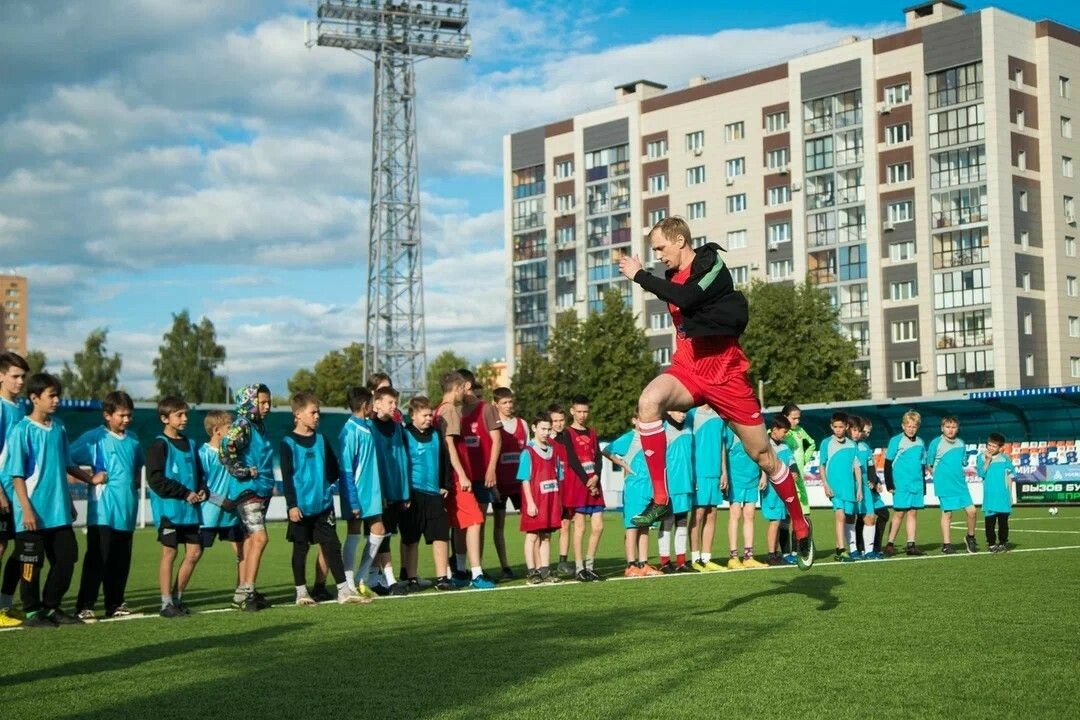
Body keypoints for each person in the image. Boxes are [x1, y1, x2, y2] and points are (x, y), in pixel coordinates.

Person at [617, 217, 813, 567]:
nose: (658, 255)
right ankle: (660, 497)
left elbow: (688, 297)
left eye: (661, 247)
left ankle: (800, 524)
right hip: (689, 370)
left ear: (680, 240)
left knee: (764, 457)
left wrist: (639, 275)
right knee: (648, 402)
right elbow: (679, 309)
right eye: (654, 251)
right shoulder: (668, 277)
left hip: (726, 376)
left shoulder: (711, 265)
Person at [1, 373, 102, 627]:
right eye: (51, 395)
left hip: (58, 512)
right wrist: (25, 509)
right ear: (35, 398)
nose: (57, 400)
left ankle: (52, 606)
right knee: (30, 564)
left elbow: (66, 465)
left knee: (67, 557)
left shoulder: (59, 428)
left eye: (58, 394)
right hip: (32, 512)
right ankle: (33, 612)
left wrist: (87, 483)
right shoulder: (21, 430)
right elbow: (16, 475)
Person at [280, 392, 366, 605]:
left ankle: (344, 591)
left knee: (332, 545)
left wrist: (327, 488)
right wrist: (291, 505)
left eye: (318, 412)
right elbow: (287, 477)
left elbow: (333, 471)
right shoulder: (287, 443)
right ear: (298, 414)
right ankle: (301, 592)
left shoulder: (321, 440)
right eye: (313, 412)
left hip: (323, 506)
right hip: (300, 507)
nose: (317, 416)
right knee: (301, 548)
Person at [71, 390, 144, 621]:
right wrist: (89, 478)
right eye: (122, 415)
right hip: (102, 510)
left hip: (127, 510)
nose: (126, 420)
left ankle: (115, 604)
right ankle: (84, 605)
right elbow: (67, 458)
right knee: (97, 558)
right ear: (107, 415)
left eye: (129, 415)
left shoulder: (133, 440)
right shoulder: (94, 438)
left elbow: (137, 467)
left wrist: (133, 486)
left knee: (121, 560)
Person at [146, 395, 206, 618]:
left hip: (190, 512)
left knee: (195, 552)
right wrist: (185, 492)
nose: (184, 419)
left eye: (186, 414)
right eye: (179, 415)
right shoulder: (158, 445)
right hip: (169, 511)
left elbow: (200, 475)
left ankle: (177, 598)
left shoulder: (191, 444)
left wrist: (202, 490)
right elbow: (156, 480)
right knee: (170, 552)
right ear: (165, 418)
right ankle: (165, 603)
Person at [434, 371, 494, 590]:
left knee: (461, 523)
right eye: (462, 389)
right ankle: (476, 574)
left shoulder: (437, 409)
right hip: (456, 476)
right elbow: (450, 445)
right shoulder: (449, 410)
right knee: (476, 520)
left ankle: (459, 570)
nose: (464, 394)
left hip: (448, 477)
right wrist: (462, 474)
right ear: (457, 388)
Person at [219, 384, 276, 611]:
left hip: (260, 488)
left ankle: (243, 592)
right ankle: (248, 592)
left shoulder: (257, 426)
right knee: (260, 539)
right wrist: (241, 470)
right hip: (247, 490)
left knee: (252, 541)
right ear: (249, 402)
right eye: (262, 402)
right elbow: (226, 446)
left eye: (269, 402)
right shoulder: (243, 424)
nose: (267, 406)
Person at [400, 396, 453, 590]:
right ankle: (412, 579)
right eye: (424, 415)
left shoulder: (437, 434)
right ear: (413, 415)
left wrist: (446, 484)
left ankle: (442, 578)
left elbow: (445, 460)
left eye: (430, 414)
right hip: (413, 494)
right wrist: (404, 494)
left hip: (434, 495)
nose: (429, 418)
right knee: (411, 538)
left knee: (440, 536)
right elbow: (401, 465)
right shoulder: (404, 434)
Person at [602, 416, 662, 578]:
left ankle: (643, 564)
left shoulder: (652, 437)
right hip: (634, 488)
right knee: (632, 526)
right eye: (642, 419)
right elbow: (607, 450)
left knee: (645, 526)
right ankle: (631, 565)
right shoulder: (630, 437)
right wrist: (622, 464)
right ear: (634, 420)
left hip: (649, 488)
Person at [338, 386, 381, 599]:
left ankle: (361, 577)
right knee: (353, 533)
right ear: (365, 406)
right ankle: (348, 583)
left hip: (372, 493)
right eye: (372, 403)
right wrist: (352, 500)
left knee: (379, 530)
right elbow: (346, 468)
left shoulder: (368, 426)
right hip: (356, 492)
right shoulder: (349, 431)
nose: (374, 407)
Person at [457, 368, 501, 574]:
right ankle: (459, 567)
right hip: (462, 477)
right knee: (460, 523)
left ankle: (478, 567)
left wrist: (491, 469)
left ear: (467, 386)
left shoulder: (485, 409)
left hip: (482, 477)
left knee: (479, 522)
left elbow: (497, 440)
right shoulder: (455, 411)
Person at [369, 386, 411, 595]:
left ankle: (373, 579)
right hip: (379, 494)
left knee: (385, 537)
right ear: (376, 404)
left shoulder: (398, 428)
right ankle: (391, 580)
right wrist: (379, 493)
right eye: (390, 402)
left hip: (396, 492)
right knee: (381, 536)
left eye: (395, 403)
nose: (394, 407)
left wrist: (405, 493)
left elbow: (403, 460)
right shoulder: (369, 428)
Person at [198, 411, 245, 592]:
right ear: (217, 430)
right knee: (194, 554)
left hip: (232, 515)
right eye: (229, 427)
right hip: (208, 515)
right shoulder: (204, 454)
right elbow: (200, 484)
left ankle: (242, 590)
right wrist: (219, 500)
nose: (234, 430)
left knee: (243, 552)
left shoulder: (234, 452)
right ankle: (175, 596)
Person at [0, 350, 29, 625]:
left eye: (23, 377)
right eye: (15, 376)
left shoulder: (21, 408)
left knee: (21, 548)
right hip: (1, 491)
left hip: (16, 490)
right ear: (1, 376)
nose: (21, 382)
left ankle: (5, 604)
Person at [562, 395, 605, 581]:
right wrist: (588, 480)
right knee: (579, 528)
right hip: (579, 485)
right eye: (578, 411)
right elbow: (572, 460)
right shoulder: (567, 433)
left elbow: (598, 458)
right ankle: (579, 568)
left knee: (598, 527)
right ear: (572, 411)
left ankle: (590, 566)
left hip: (594, 484)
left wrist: (596, 477)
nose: (582, 415)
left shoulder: (592, 432)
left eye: (585, 411)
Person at [517, 412, 563, 585]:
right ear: (534, 428)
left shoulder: (553, 450)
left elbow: (558, 475)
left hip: (550, 501)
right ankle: (532, 572)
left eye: (548, 429)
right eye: (542, 428)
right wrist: (530, 502)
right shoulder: (528, 452)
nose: (545, 432)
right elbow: (525, 479)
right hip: (535, 501)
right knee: (532, 536)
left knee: (546, 536)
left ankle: (545, 571)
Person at [928, 416, 978, 554]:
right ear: (942, 428)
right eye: (947, 427)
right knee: (947, 514)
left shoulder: (961, 444)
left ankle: (970, 537)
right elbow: (929, 464)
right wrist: (939, 477)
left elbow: (962, 463)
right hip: (944, 485)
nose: (950, 430)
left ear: (957, 429)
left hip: (960, 485)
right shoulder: (935, 443)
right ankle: (947, 544)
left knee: (972, 511)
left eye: (953, 427)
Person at [492, 386, 527, 579]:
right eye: (504, 402)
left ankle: (533, 564)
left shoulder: (522, 424)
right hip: (500, 485)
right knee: (499, 525)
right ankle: (505, 566)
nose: (508, 405)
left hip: (521, 485)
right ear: (496, 404)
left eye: (510, 402)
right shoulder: (494, 426)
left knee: (530, 525)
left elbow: (529, 455)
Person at [722, 420, 767, 569]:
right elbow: (723, 451)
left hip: (753, 477)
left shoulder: (758, 429)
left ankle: (748, 557)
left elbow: (763, 451)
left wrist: (764, 475)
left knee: (750, 516)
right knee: (735, 515)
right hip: (735, 478)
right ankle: (733, 557)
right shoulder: (730, 429)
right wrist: (724, 474)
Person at [819, 411, 862, 563]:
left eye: (841, 427)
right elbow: (822, 465)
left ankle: (844, 548)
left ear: (847, 427)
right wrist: (825, 484)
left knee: (848, 517)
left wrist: (859, 488)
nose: (838, 429)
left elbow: (856, 467)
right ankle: (841, 550)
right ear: (831, 426)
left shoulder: (852, 445)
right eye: (835, 427)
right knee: (840, 515)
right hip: (834, 488)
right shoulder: (826, 443)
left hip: (849, 488)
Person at [687, 404, 725, 572]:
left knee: (712, 514)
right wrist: (691, 474)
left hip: (715, 473)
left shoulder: (719, 415)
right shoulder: (691, 414)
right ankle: (695, 558)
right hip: (698, 472)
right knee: (699, 513)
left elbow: (722, 445)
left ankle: (707, 557)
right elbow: (686, 444)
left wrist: (724, 471)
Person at [883, 411, 927, 557]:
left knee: (913, 513)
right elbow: (887, 464)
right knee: (899, 513)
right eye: (908, 426)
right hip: (900, 485)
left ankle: (911, 545)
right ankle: (890, 544)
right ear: (903, 426)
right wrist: (889, 484)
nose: (911, 429)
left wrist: (923, 487)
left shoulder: (921, 442)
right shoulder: (896, 441)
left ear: (918, 427)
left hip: (916, 485)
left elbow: (921, 465)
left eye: (914, 426)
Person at [658, 411, 694, 573]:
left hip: (686, 482)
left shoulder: (688, 428)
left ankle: (681, 561)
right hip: (670, 484)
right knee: (667, 521)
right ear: (670, 411)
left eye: (685, 411)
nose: (683, 415)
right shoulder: (663, 429)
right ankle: (665, 561)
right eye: (679, 411)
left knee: (682, 522)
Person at [780, 403, 814, 561]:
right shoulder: (778, 432)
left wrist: (804, 460)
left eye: (798, 418)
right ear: (785, 417)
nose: (797, 421)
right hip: (782, 478)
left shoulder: (800, 432)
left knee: (801, 515)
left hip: (798, 479)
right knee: (784, 517)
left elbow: (812, 443)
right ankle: (784, 552)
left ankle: (797, 550)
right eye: (794, 418)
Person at [761, 415, 793, 565]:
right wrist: (763, 478)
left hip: (783, 489)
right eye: (784, 431)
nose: (785, 434)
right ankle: (771, 554)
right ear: (774, 429)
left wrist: (795, 472)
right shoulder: (765, 444)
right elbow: (762, 465)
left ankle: (775, 552)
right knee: (774, 521)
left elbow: (791, 462)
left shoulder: (786, 446)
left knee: (779, 521)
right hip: (771, 489)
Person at [851, 416, 883, 560]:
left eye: (861, 431)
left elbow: (871, 466)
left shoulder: (865, 447)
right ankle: (853, 550)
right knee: (850, 519)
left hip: (865, 488)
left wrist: (873, 480)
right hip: (850, 488)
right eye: (857, 430)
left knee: (870, 517)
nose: (860, 434)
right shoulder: (846, 446)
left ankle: (869, 551)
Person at [978, 432, 1014, 553]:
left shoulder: (1005, 459)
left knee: (1003, 523)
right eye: (989, 445)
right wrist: (987, 460)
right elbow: (981, 474)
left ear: (1000, 447)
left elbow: (1010, 477)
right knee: (990, 523)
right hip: (990, 496)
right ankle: (992, 544)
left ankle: (1003, 543)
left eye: (994, 446)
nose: (991, 448)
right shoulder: (981, 457)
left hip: (1003, 495)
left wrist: (1010, 496)